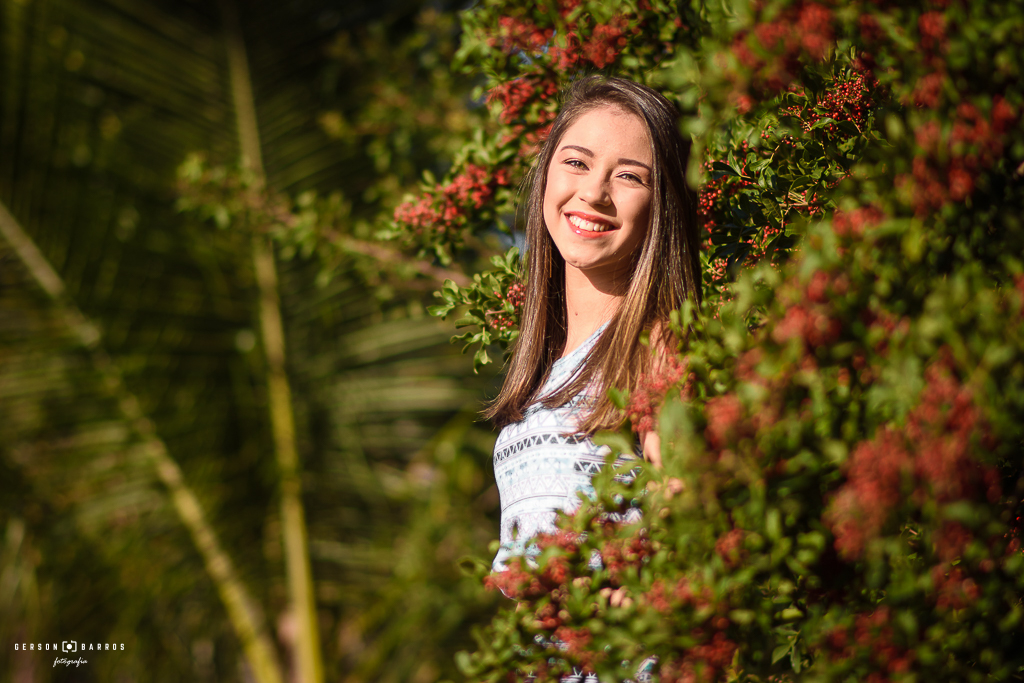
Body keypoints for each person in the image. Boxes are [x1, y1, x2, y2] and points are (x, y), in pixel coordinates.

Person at [485, 76, 702, 576]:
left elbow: (691, 526)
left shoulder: (657, 349)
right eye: (577, 162)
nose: (594, 192)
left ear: (661, 207)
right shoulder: (546, 371)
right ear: (546, 175)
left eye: (629, 177)